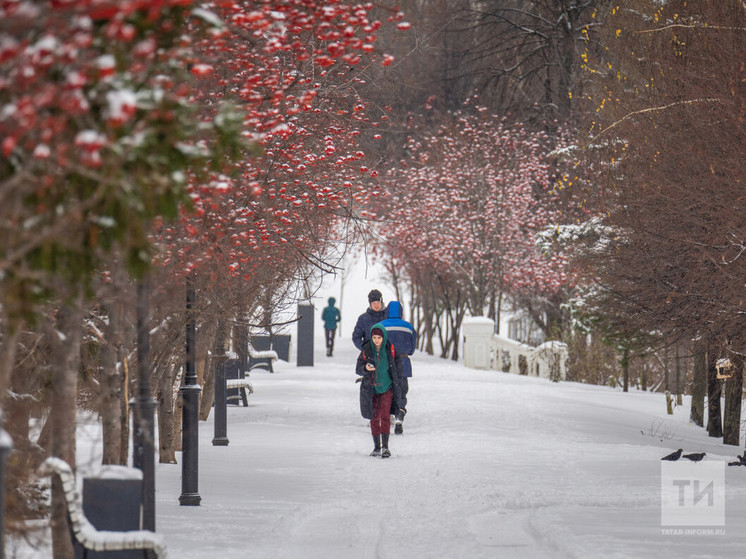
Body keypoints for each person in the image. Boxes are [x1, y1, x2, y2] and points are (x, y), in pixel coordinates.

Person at [355, 324, 403, 458]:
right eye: (374, 337)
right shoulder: (365, 350)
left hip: (387, 387)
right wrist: (365, 368)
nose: (376, 340)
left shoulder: (390, 349)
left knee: (385, 415)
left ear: (383, 337)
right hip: (371, 389)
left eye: (379, 337)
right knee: (374, 417)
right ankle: (376, 447)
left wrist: (397, 380)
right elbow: (358, 368)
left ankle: (386, 447)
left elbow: (398, 366)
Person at [380, 301, 417, 434]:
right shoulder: (408, 327)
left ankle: (388, 415)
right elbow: (412, 348)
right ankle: (400, 414)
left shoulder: (381, 326)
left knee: (387, 390)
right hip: (403, 362)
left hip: (386, 364)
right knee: (401, 391)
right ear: (401, 311)